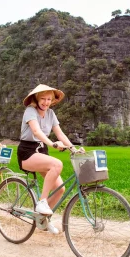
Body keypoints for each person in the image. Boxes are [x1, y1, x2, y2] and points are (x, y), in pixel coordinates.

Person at [17, 84, 82, 234]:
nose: (45, 102)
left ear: (52, 101)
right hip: (27, 152)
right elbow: (36, 131)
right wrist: (52, 144)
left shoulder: (51, 114)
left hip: (42, 152)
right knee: (57, 164)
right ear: (36, 99)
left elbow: (60, 134)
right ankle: (42, 202)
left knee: (60, 189)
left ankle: (43, 220)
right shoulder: (30, 111)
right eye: (43, 99)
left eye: (49, 99)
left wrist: (73, 148)